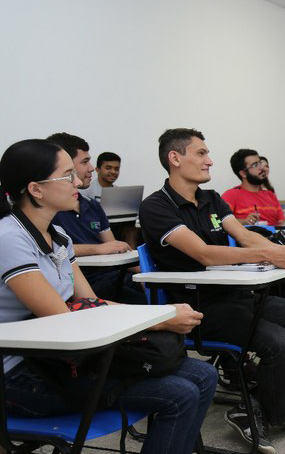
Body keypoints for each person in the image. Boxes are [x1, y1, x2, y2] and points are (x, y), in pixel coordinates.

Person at [0, 138, 217, 454]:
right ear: (36, 189)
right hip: (20, 375)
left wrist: (163, 313)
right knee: (178, 393)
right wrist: (161, 320)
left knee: (204, 373)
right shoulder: (9, 238)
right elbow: (59, 315)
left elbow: (89, 303)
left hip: (60, 361)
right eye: (67, 175)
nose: (77, 181)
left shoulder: (58, 237)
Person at [140, 128, 285, 451]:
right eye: (201, 154)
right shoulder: (156, 207)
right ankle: (276, 411)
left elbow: (246, 236)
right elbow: (204, 253)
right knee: (279, 341)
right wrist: (269, 253)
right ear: (175, 158)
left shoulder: (211, 199)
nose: (210, 161)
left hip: (237, 296)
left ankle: (257, 408)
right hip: (198, 309)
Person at [46, 133, 146, 304]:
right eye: (85, 162)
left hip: (111, 276)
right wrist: (98, 249)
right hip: (89, 280)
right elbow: (51, 250)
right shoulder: (48, 211)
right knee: (142, 299)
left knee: (158, 289)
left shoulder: (92, 205)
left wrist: (146, 273)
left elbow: (115, 248)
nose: (92, 168)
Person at [222, 149, 285, 226]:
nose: (261, 167)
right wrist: (244, 221)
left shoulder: (271, 195)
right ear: (243, 173)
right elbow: (220, 221)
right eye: (255, 165)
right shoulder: (231, 195)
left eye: (260, 163)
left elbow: (282, 224)